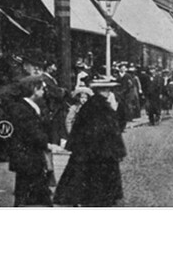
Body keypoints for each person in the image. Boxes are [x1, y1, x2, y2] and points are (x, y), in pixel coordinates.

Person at [53, 77, 126, 207]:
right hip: (102, 153)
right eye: (105, 89)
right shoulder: (103, 108)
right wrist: (117, 149)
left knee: (85, 178)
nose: (108, 92)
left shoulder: (89, 106)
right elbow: (111, 131)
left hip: (87, 152)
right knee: (100, 184)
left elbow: (79, 129)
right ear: (99, 91)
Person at [7, 75, 53, 207]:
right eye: (42, 89)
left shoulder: (27, 106)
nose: (44, 92)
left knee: (26, 187)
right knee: (25, 188)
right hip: (27, 155)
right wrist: (46, 143)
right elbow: (31, 131)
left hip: (28, 155)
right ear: (34, 89)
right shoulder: (23, 108)